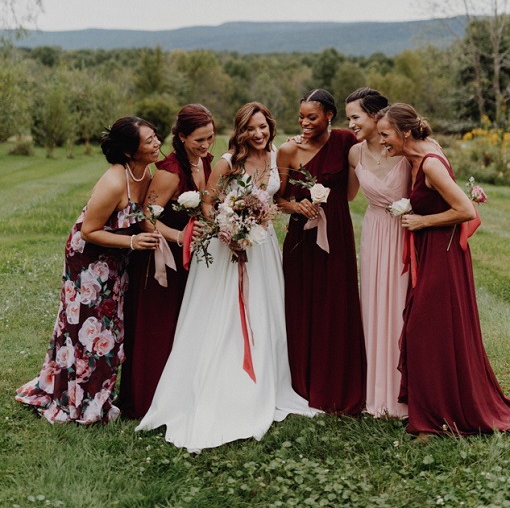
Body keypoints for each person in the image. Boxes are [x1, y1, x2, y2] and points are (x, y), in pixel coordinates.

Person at [137, 102, 318, 451]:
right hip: (226, 247)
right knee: (222, 317)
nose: (259, 133)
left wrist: (268, 217)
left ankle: (266, 379)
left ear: (271, 126)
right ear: (240, 131)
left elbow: (276, 199)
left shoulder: (277, 154)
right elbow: (208, 203)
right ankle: (222, 385)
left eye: (263, 126)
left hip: (263, 247)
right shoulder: (227, 161)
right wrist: (229, 226)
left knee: (262, 312)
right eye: (251, 128)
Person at [376, 103, 510, 437]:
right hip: (431, 252)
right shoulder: (417, 155)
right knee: (431, 330)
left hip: (444, 254)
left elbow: (465, 210)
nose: (383, 141)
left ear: (405, 132)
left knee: (422, 331)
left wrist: (422, 220)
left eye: (385, 134)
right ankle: (433, 409)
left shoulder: (430, 163)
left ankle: (432, 420)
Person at [16, 117, 161, 424]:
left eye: (155, 137)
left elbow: (144, 211)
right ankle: (79, 400)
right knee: (88, 329)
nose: (157, 143)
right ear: (129, 152)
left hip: (117, 257)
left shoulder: (145, 171)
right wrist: (133, 241)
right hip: (88, 262)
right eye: (149, 141)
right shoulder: (113, 181)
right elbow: (88, 230)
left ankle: (97, 393)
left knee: (110, 328)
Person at [119, 104, 215, 419]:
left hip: (190, 260)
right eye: (198, 140)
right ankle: (146, 400)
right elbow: (145, 218)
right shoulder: (170, 172)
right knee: (157, 328)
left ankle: (182, 394)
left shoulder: (207, 163)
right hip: (159, 260)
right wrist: (178, 237)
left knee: (184, 326)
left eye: (210, 138)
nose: (205, 146)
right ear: (182, 137)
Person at [277, 89, 366, 415]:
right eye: (301, 117)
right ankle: (302, 381)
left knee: (336, 304)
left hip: (337, 234)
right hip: (301, 240)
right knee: (302, 304)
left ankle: (338, 380)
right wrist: (296, 206)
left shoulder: (344, 141)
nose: (304, 123)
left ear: (329, 115)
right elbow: (278, 199)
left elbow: (353, 191)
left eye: (311, 117)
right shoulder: (288, 150)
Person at [345, 88, 410, 419]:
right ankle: (375, 392)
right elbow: (345, 196)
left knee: (401, 306)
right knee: (373, 306)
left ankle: (405, 391)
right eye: (348, 119)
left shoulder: (406, 150)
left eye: (356, 117)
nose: (351, 124)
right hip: (374, 233)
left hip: (404, 233)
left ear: (376, 116)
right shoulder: (354, 154)